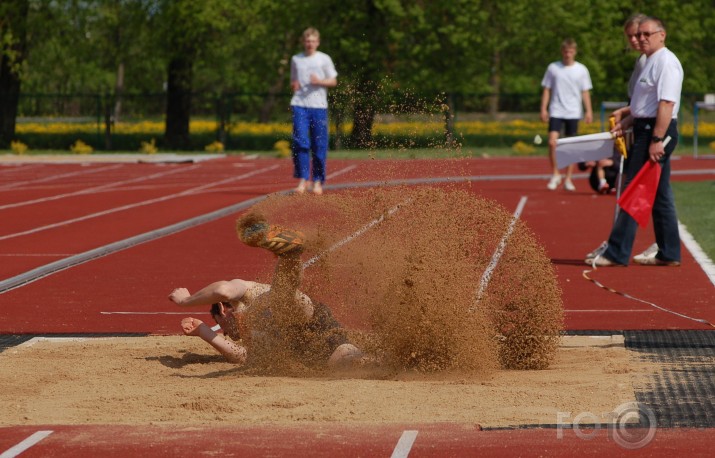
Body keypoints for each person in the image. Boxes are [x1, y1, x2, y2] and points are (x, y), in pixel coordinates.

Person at [169, 214, 363, 367]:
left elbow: (223, 290)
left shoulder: (245, 293)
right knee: (352, 363)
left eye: (223, 329)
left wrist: (186, 301)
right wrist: (203, 331)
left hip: (297, 311)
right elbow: (242, 356)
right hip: (318, 344)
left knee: (280, 301)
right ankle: (388, 359)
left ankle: (289, 255)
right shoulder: (251, 336)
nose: (228, 335)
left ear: (221, 310)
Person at [588, 16, 683, 267]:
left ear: (661, 34)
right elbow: (644, 105)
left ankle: (617, 252)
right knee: (660, 195)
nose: (640, 38)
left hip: (655, 131)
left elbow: (666, 104)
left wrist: (656, 139)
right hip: (645, 128)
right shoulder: (648, 62)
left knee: (634, 189)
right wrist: (628, 122)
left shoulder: (666, 62)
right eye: (637, 34)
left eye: (646, 34)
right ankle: (669, 251)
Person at [540, 38, 593, 192]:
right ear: (562, 51)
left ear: (574, 52)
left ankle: (568, 178)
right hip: (556, 109)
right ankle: (556, 173)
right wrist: (543, 109)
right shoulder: (553, 68)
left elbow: (585, 92)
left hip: (573, 111)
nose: (568, 54)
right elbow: (546, 90)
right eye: (565, 51)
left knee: (570, 146)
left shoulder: (581, 70)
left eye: (571, 51)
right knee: (552, 142)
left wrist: (588, 110)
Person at [290, 27, 338, 195]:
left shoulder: (324, 59)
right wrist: (294, 85)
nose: (310, 44)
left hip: (318, 106)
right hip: (299, 104)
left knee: (319, 145)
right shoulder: (296, 59)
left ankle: (317, 180)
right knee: (300, 142)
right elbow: (293, 80)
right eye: (307, 41)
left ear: (317, 42)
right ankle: (303, 179)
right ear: (303, 42)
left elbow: (333, 81)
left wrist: (320, 81)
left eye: (313, 41)